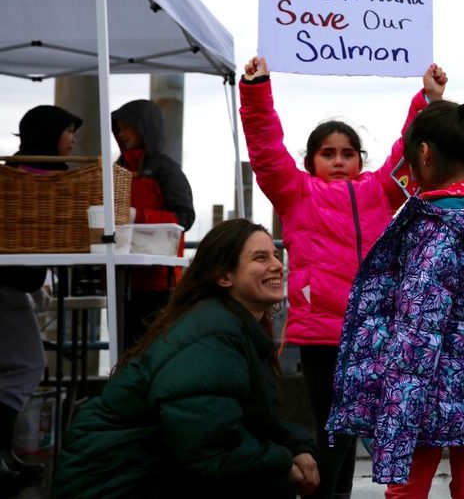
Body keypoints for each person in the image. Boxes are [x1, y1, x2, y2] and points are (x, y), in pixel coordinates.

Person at [239, 56, 448, 499]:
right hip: (321, 331)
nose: (338, 161)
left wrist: (427, 100)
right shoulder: (295, 191)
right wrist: (256, 91)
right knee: (334, 422)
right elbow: (265, 149)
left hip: (371, 329)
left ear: (360, 159)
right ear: (311, 159)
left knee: (348, 425)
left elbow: (408, 150)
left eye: (347, 153)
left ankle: (337, 494)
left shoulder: (381, 191)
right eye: (327, 153)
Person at [326, 98, 464, 497]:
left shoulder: (434, 229)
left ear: (425, 154)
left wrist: (398, 410)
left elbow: (418, 331)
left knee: (407, 487)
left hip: (427, 394)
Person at [51, 218, 321, 499]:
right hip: (113, 483)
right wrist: (284, 463)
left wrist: (297, 445)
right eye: (260, 258)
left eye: (276, 256)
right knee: (268, 485)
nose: (277, 265)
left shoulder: (229, 324)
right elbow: (209, 442)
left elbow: (252, 418)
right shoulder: (213, 333)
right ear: (224, 276)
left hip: (140, 471)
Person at [0, 105, 82, 494]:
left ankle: (5, 454)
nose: (73, 140)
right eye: (68, 131)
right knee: (28, 367)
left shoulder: (10, 171)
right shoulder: (49, 180)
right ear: (50, 134)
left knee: (16, 367)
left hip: (16, 286)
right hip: (9, 287)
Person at [111, 99, 195, 350]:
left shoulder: (166, 170)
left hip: (159, 279)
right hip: (120, 275)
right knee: (122, 345)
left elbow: (185, 217)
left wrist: (139, 216)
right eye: (120, 128)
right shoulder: (118, 168)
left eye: (127, 127)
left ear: (144, 127)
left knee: (153, 347)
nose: (122, 134)